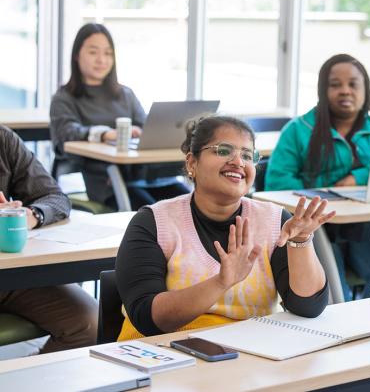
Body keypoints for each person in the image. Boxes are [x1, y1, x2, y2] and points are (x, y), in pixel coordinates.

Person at [115, 115, 331, 339]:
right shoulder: (154, 222)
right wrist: (221, 283)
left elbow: (307, 307)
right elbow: (147, 318)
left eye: (247, 155)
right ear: (192, 163)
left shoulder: (273, 219)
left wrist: (301, 240)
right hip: (161, 355)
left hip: (248, 353)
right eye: (223, 150)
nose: (238, 162)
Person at [265, 53, 370, 300]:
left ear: (366, 91)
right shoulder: (298, 131)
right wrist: (327, 195)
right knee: (332, 287)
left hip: (367, 225)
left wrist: (357, 178)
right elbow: (277, 183)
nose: (345, 91)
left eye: (353, 84)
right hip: (318, 226)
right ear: (322, 90)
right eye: (335, 84)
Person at [50, 23, 189, 210]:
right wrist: (104, 134)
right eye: (93, 52)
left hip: (145, 177)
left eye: (108, 53)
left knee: (191, 203)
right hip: (106, 182)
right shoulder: (64, 98)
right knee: (152, 211)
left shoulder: (125, 94)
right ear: (76, 55)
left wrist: (143, 131)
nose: (101, 60)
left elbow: (148, 128)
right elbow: (66, 133)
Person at [0, 125, 98, 352]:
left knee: (91, 324)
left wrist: (31, 215)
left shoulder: (3, 139)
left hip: (11, 278)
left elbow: (54, 197)